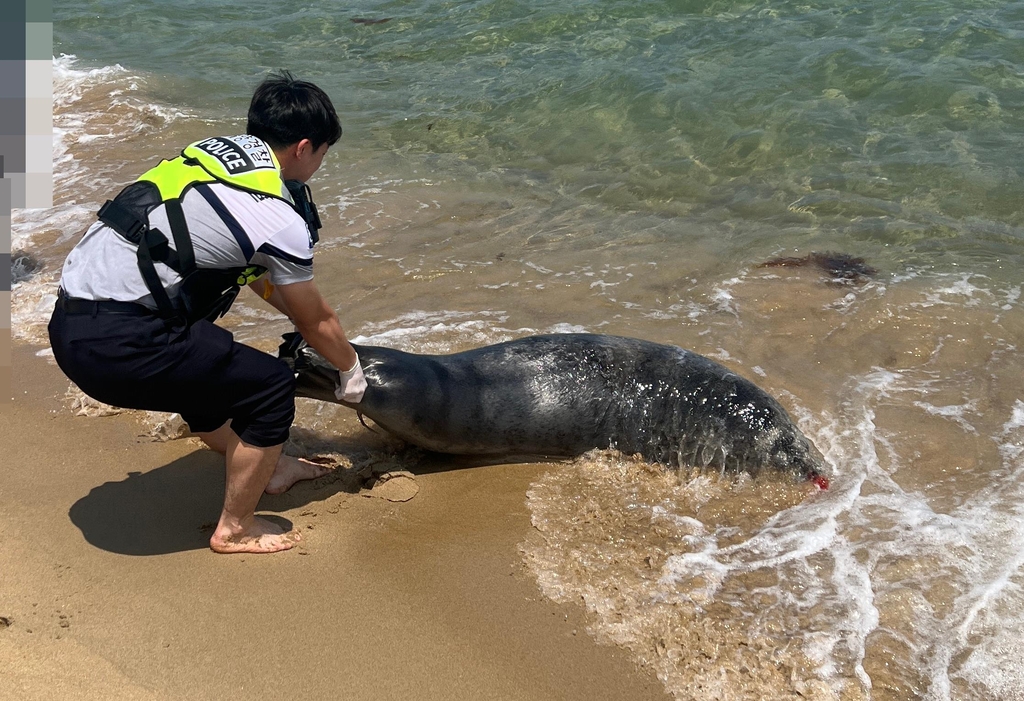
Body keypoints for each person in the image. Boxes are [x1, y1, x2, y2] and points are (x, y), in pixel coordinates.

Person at [48, 71, 365, 555]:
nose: (321, 163)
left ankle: (271, 466)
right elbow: (316, 320)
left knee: (209, 360)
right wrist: (350, 370)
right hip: (117, 350)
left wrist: (291, 307)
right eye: (323, 153)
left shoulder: (211, 156)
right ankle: (235, 528)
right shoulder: (277, 216)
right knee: (269, 388)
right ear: (304, 147)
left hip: (69, 323)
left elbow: (248, 273)